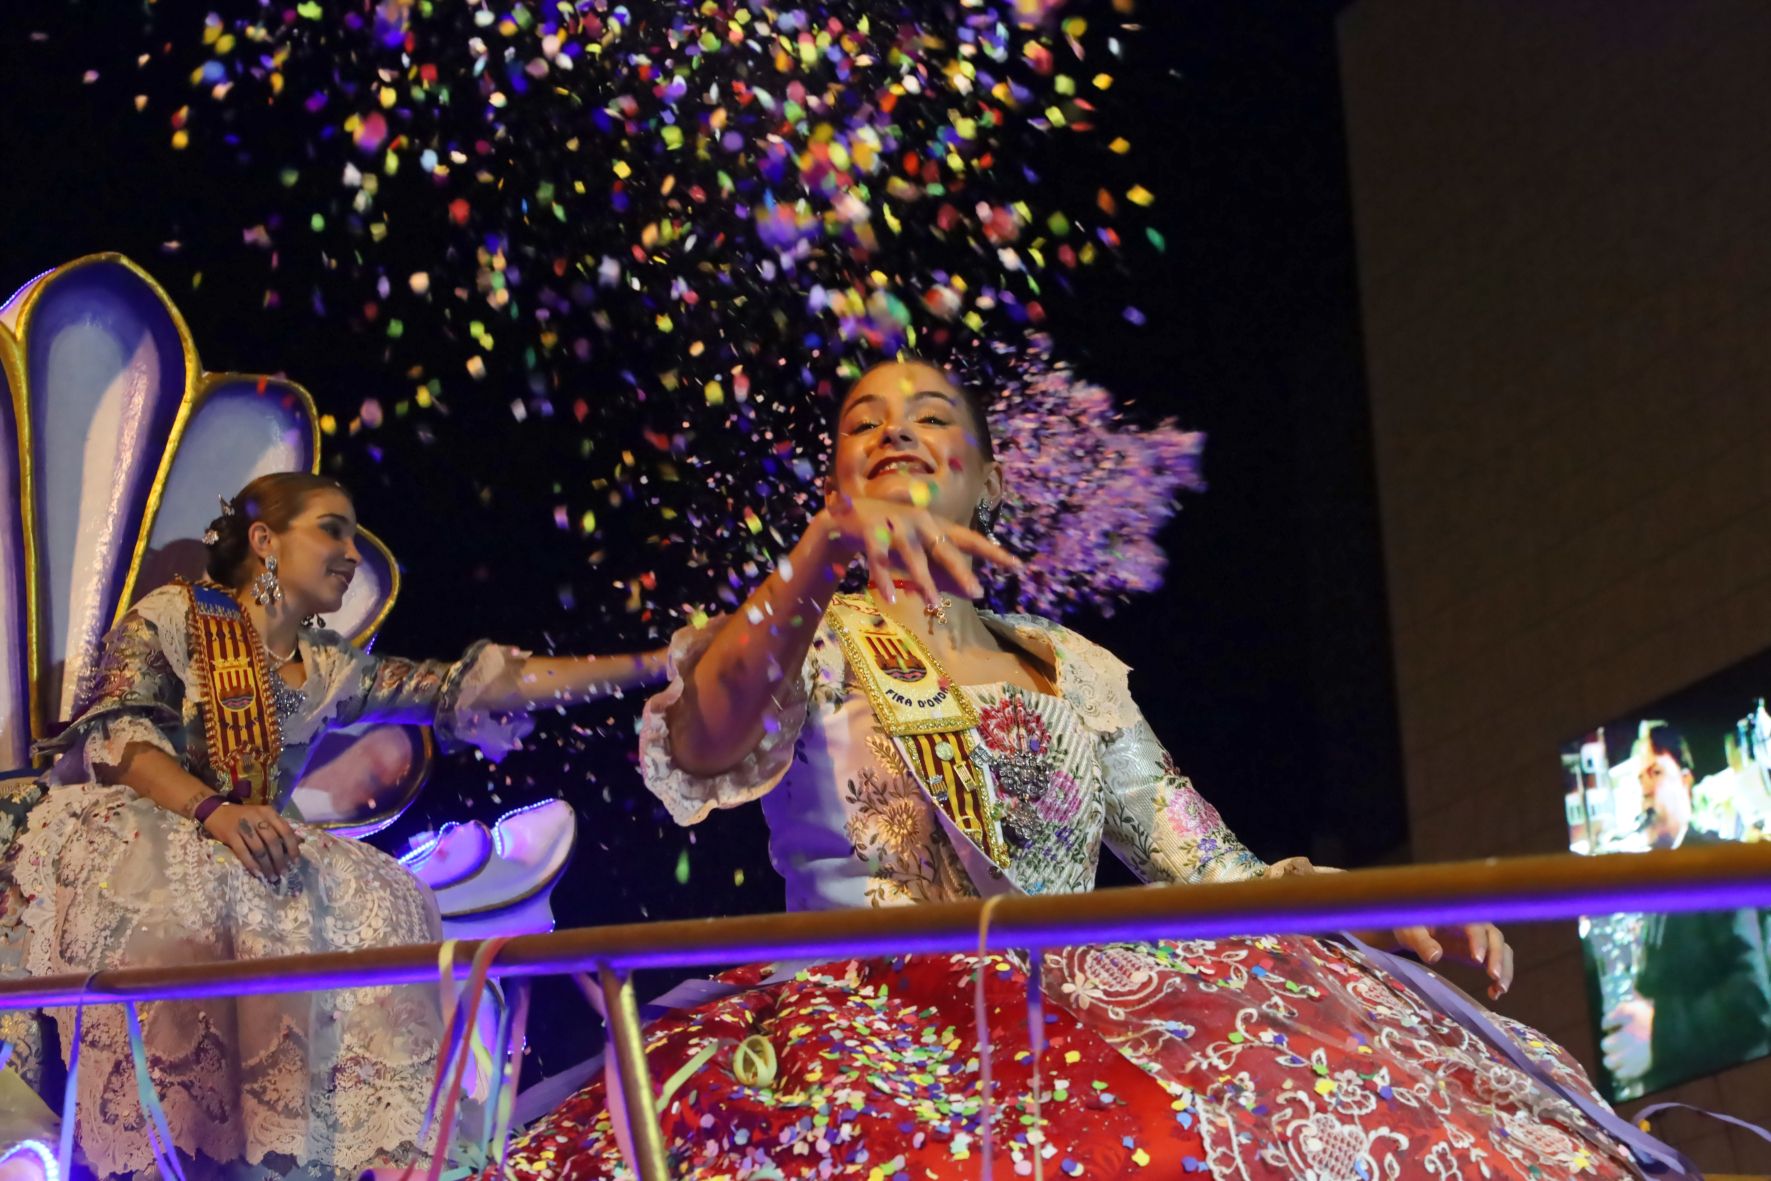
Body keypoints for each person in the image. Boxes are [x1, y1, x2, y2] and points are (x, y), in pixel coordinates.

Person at [502, 359, 1657, 1181]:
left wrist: (1370, 913)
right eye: (865, 421)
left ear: (988, 482)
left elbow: (1202, 862)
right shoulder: (806, 629)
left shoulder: (1071, 668)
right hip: (858, 1031)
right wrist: (821, 557)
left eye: (932, 414)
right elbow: (708, 736)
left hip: (1069, 1028)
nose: (896, 429)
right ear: (834, 475)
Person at [0, 472, 665, 1181]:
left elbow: (470, 686)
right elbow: (122, 736)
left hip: (253, 851)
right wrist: (213, 811)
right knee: (181, 909)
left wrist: (653, 663)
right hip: (146, 831)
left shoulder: (324, 666)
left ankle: (341, 1152)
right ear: (264, 541)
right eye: (332, 529)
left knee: (387, 899)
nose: (352, 551)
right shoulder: (175, 615)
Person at [1600, 725, 1771, 1094]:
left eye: (1656, 772)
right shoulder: (1661, 876)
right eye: (1639, 778)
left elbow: (1755, 1001)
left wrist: (1659, 1030)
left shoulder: (1720, 864)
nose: (1644, 788)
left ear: (1687, 781)